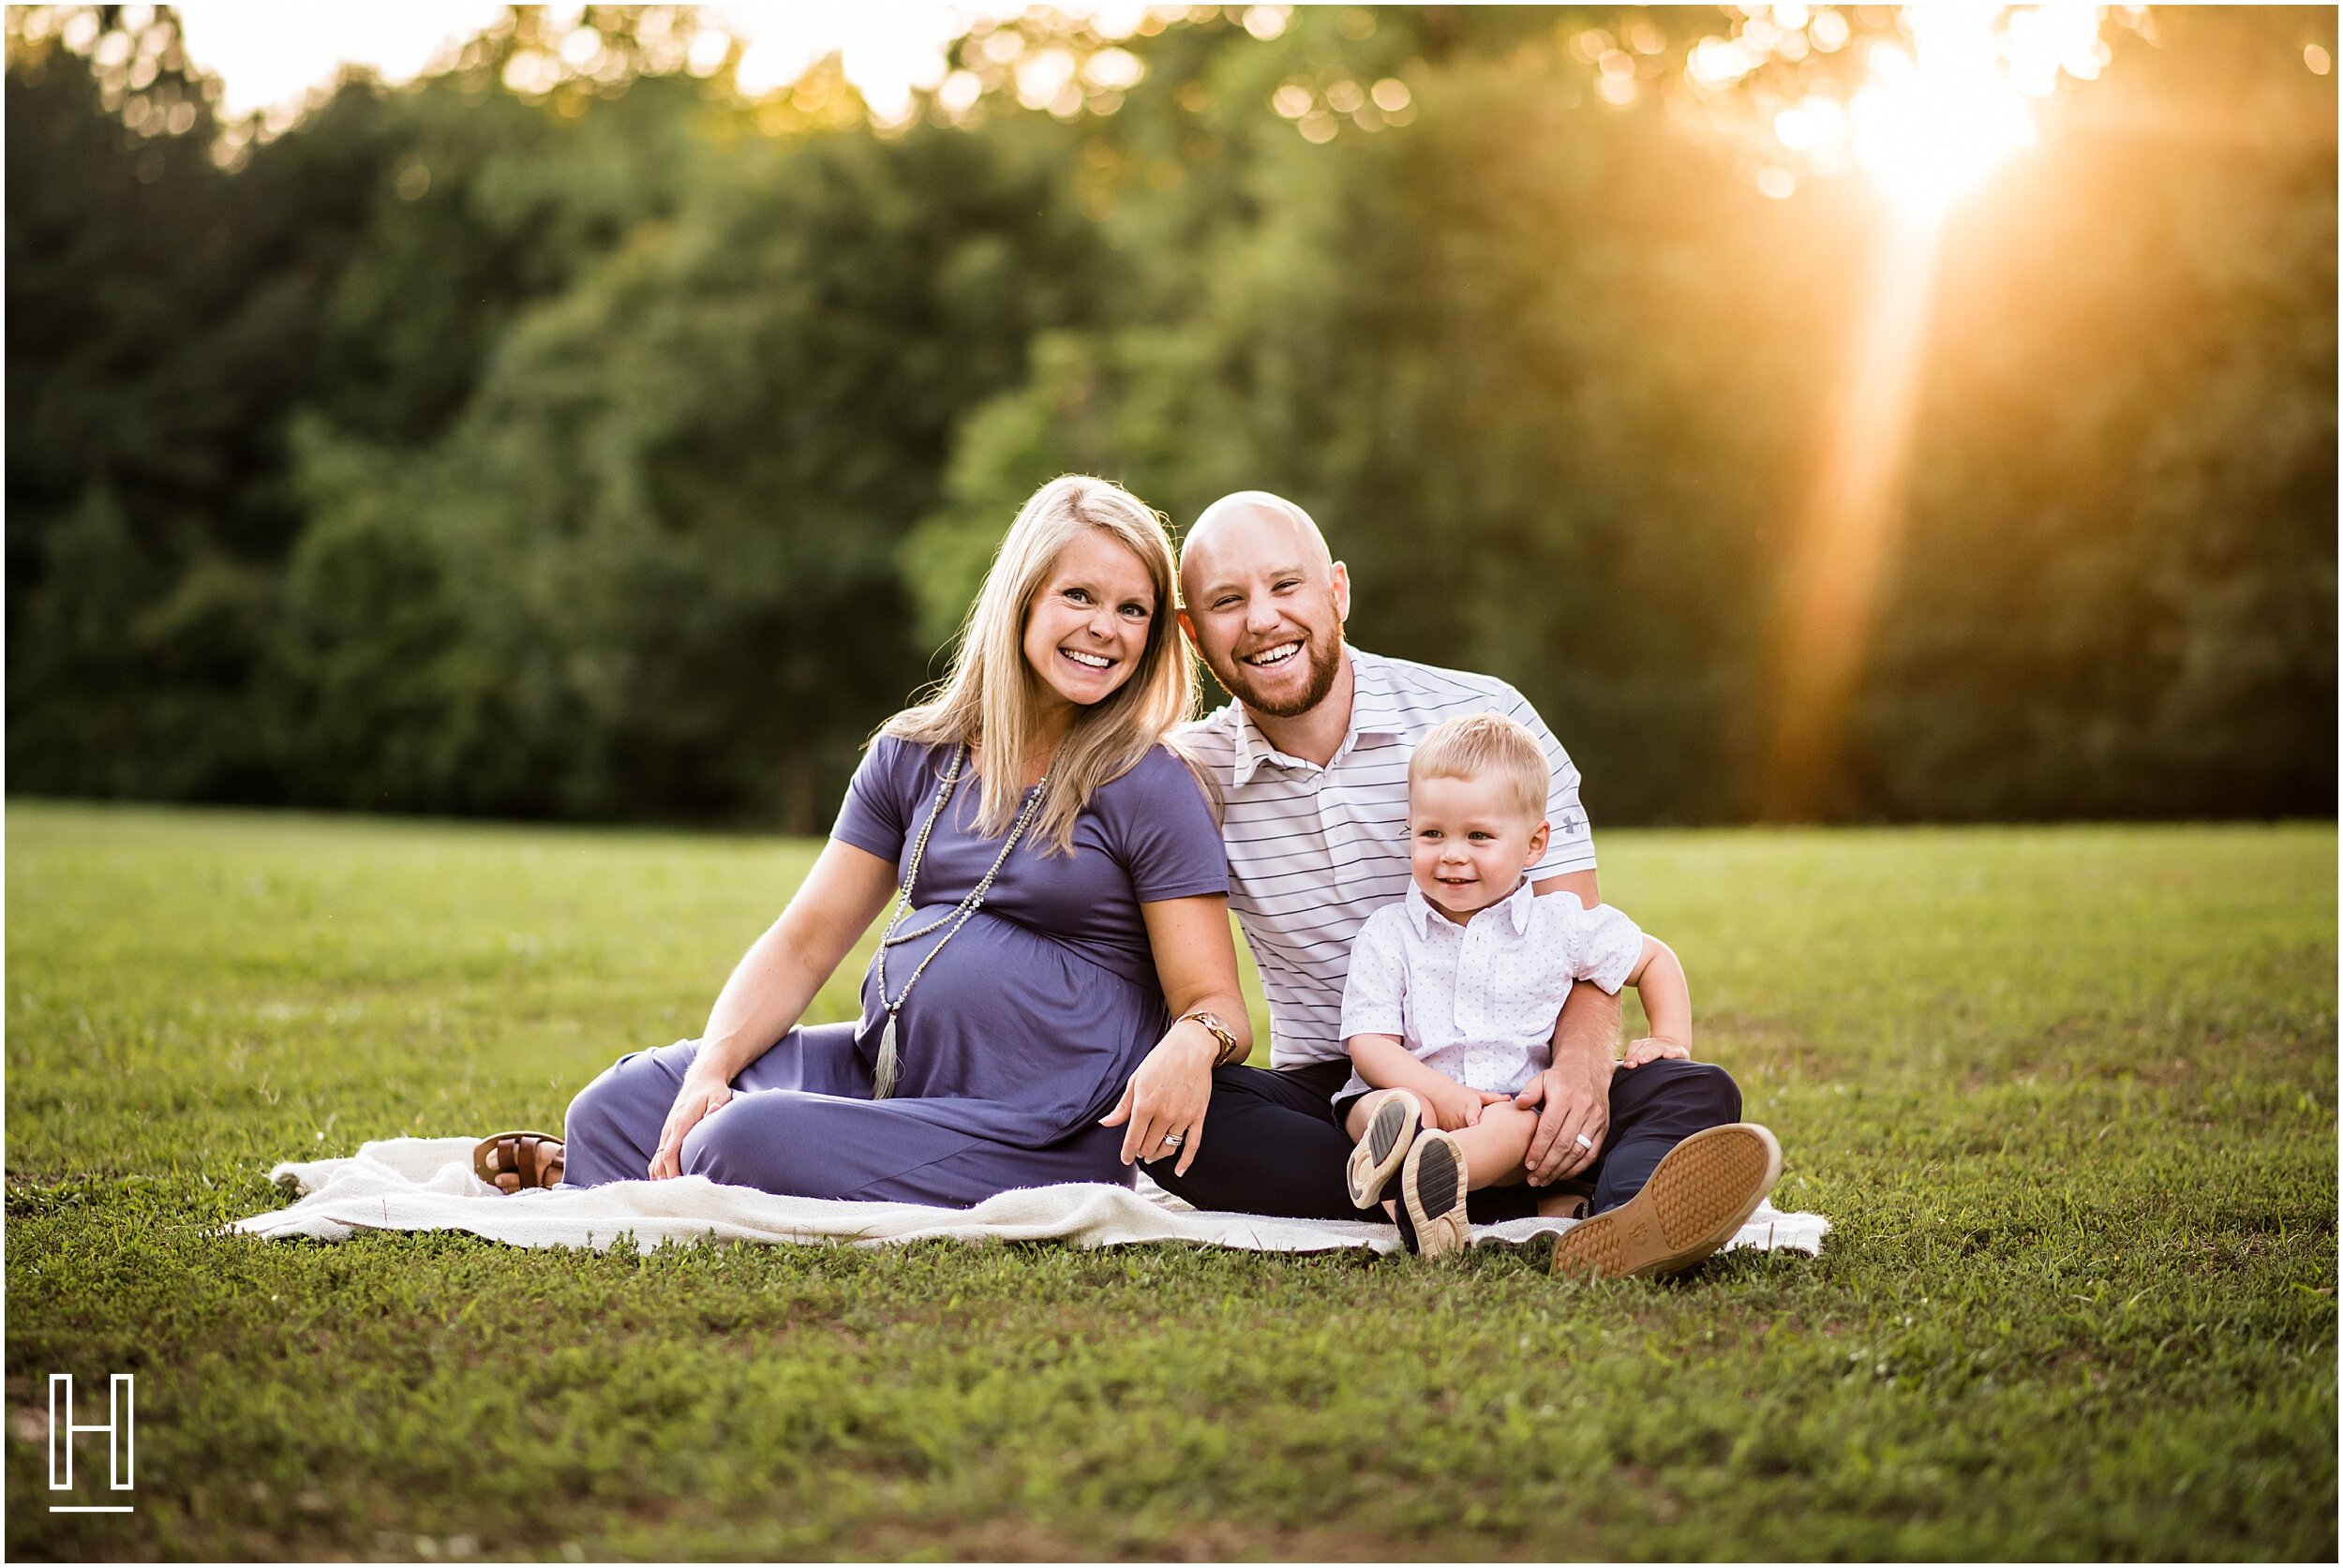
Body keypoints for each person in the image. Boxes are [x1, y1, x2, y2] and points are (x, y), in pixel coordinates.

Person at [473, 474, 1248, 1204]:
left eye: (1132, 610)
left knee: (739, 1141)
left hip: (1046, 1126)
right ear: (1022, 601)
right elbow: (807, 941)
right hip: (890, 1068)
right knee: (613, 1106)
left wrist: (1194, 1042)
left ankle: (655, 1181)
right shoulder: (915, 755)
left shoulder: (1151, 784)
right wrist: (712, 1067)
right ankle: (620, 1178)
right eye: (1078, 596)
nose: (1103, 629)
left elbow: (1216, 1004)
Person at [1150, 488, 1778, 1279]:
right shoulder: (1187, 777)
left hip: (1524, 1074)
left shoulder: (1487, 719)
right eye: (1228, 602)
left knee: (1691, 1087)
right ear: (1193, 633)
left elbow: (1582, 947)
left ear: (1336, 590)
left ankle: (1607, 1215)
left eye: (1286, 586)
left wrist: (1579, 1082)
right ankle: (1525, 1193)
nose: (1264, 619)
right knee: (1192, 1123)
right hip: (1352, 1089)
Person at [1334, 712, 1781, 1274]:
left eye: (1478, 836)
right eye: (1431, 834)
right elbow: (1370, 1045)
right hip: (1413, 1088)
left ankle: (1442, 1182)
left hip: (1517, 1110)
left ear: (1535, 844)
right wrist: (1438, 1095)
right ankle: (1418, 1167)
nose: (1451, 853)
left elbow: (1653, 959)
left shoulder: (1559, 923)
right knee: (1384, 1105)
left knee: (1687, 1089)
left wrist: (1667, 1037)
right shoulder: (1387, 932)